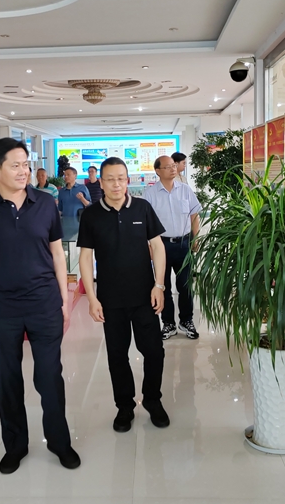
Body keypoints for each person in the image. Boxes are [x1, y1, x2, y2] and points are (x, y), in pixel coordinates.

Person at [0, 138, 79, 474]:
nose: (23, 171)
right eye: (15, 165)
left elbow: (57, 254)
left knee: (49, 376)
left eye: (26, 164)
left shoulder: (45, 203)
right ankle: (15, 445)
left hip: (44, 303)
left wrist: (65, 300)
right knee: (8, 379)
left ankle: (59, 442)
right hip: (1, 308)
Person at [78, 157, 170, 432]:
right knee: (117, 356)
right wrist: (92, 298)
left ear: (128, 180)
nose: (116, 184)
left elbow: (157, 246)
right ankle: (125, 407)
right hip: (110, 300)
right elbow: (85, 257)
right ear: (101, 182)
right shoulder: (91, 215)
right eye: (110, 179)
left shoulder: (142, 207)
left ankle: (152, 400)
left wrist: (159, 285)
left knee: (154, 351)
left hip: (144, 296)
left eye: (121, 178)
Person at [143, 155, 202, 340]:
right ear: (158, 171)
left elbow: (194, 215)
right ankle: (168, 323)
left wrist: (196, 238)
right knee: (163, 286)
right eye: (167, 167)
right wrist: (149, 246)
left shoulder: (185, 190)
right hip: (161, 245)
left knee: (185, 285)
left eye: (173, 166)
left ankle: (186, 320)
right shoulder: (150, 194)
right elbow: (145, 224)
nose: (173, 169)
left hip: (184, 244)